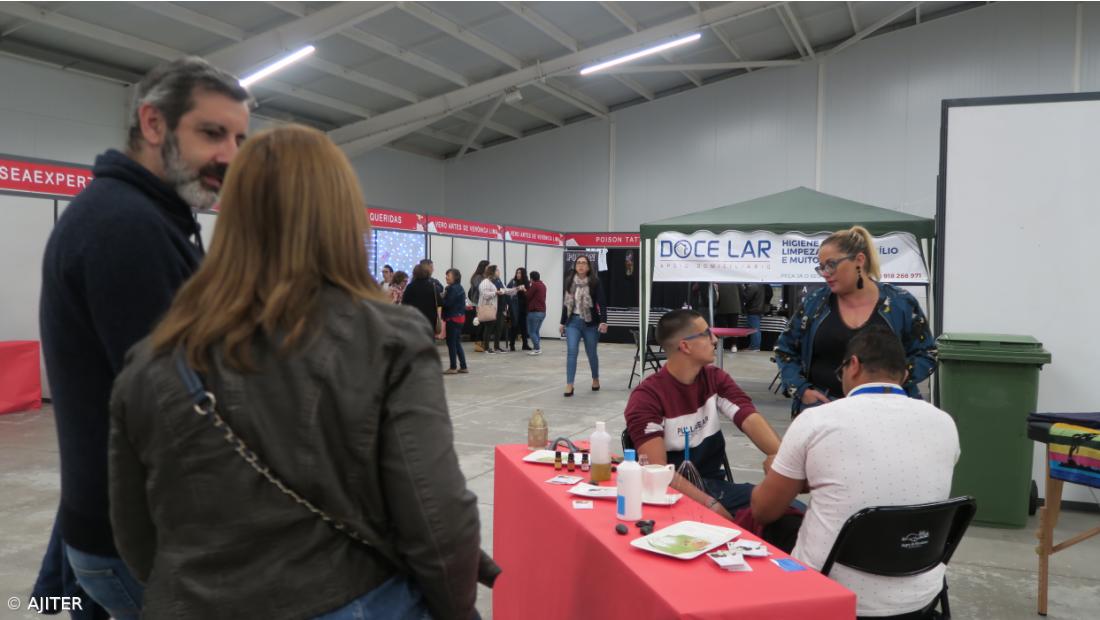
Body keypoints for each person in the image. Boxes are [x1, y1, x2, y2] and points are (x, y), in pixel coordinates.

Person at [109, 125, 489, 619]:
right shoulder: (388, 339)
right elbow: (437, 519)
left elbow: (134, 536)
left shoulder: (150, 360)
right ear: (343, 217)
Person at [37, 56, 251, 618]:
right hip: (137, 539)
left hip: (109, 521)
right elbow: (178, 409)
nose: (230, 155)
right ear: (153, 124)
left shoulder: (150, 218)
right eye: (211, 132)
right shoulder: (127, 227)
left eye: (238, 137)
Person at [751, 325, 960, 618]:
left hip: (833, 595)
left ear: (853, 365)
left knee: (774, 520)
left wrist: (777, 473)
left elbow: (763, 511)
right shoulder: (944, 423)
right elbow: (896, 478)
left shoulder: (817, 421)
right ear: (903, 374)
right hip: (922, 595)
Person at [625, 309, 782, 517]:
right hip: (673, 494)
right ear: (685, 346)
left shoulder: (714, 379)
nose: (715, 340)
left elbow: (748, 417)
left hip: (714, 485)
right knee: (785, 514)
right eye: (707, 334)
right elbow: (658, 472)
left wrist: (783, 460)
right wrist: (710, 505)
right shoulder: (647, 397)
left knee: (786, 508)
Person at [774, 225, 936, 416]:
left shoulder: (901, 303)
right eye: (821, 267)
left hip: (888, 413)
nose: (825, 273)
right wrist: (802, 390)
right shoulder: (815, 303)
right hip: (823, 411)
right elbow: (784, 350)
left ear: (859, 260)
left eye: (831, 264)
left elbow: (927, 353)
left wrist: (901, 376)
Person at [559, 255, 607, 396]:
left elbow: (602, 303)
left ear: (588, 266)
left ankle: (595, 378)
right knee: (572, 352)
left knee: (591, 353)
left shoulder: (594, 282)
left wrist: (603, 321)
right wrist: (562, 322)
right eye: (578, 263)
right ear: (575, 266)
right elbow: (566, 304)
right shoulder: (569, 282)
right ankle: (569, 384)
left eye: (584, 263)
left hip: (590, 323)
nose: (580, 265)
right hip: (572, 322)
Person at [478, 265, 517, 354]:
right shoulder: (486, 282)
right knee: (489, 327)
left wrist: (516, 289)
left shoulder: (498, 281)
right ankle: (486, 348)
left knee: (499, 328)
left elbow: (505, 290)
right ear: (492, 272)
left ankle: (497, 347)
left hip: (500, 307)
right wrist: (495, 292)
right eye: (497, 270)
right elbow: (484, 294)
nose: (499, 272)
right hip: (490, 308)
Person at [402, 264, 443, 337]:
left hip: (414, 319)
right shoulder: (433, 287)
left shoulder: (410, 287)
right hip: (430, 320)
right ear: (427, 273)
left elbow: (404, 303)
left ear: (414, 273)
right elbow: (440, 303)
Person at [442, 268, 469, 375]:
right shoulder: (460, 287)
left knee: (451, 343)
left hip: (453, 318)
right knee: (457, 343)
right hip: (460, 318)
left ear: (455, 277)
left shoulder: (452, 289)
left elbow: (448, 303)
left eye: (448, 275)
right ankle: (463, 366)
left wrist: (441, 299)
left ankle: (453, 367)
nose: (446, 277)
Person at [507, 267, 531, 352]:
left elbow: (529, 295)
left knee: (524, 327)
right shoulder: (513, 281)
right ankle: (512, 345)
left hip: (523, 307)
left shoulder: (527, 283)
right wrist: (516, 289)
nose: (518, 274)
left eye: (520, 273)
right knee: (514, 326)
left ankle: (525, 344)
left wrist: (524, 290)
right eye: (517, 273)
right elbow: (507, 291)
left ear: (523, 274)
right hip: (514, 307)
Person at [741, 283, 769, 351]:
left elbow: (747, 297)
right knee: (755, 329)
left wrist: (742, 289)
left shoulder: (753, 285)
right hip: (759, 309)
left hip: (753, 310)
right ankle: (754, 346)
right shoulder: (761, 285)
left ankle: (755, 347)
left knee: (754, 329)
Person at [469, 260, 490, 352]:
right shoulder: (478, 277)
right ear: (483, 267)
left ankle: (481, 343)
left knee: (483, 323)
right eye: (487, 266)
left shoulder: (483, 277)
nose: (489, 268)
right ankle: (478, 343)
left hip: (483, 302)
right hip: (479, 302)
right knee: (480, 324)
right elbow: (480, 287)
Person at [525, 270, 547, 356]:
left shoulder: (534, 285)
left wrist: (524, 290)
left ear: (531, 278)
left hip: (534, 312)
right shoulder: (543, 285)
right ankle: (536, 348)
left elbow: (528, 296)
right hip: (542, 312)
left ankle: (537, 349)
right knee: (536, 331)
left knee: (531, 332)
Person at [715, 283, 742, 352]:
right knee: (733, 327)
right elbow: (742, 293)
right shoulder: (736, 280)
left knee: (721, 328)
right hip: (735, 306)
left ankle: (721, 346)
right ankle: (734, 345)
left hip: (721, 306)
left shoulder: (718, 280)